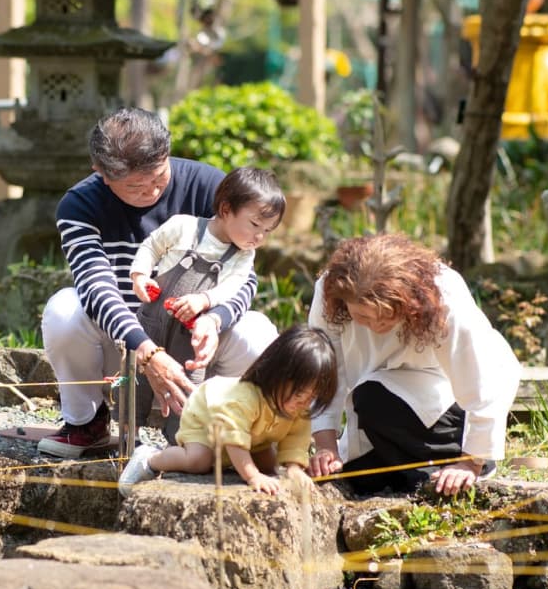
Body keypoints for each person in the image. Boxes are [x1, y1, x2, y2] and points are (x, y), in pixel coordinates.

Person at [39, 107, 279, 459]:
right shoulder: (80, 205)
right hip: (123, 345)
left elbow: (245, 278)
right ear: (102, 174)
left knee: (258, 334)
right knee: (63, 310)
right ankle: (86, 424)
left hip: (197, 343)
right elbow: (95, 289)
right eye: (135, 186)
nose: (151, 192)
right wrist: (146, 351)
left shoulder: (211, 188)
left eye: (159, 177)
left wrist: (215, 319)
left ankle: (224, 431)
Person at [305, 234, 521, 496]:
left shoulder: (443, 293)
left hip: (451, 405)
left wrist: (471, 462)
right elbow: (325, 370)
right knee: (361, 477)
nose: (374, 325)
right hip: (379, 416)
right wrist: (327, 446)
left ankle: (469, 462)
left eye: (385, 317)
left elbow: (479, 377)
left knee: (373, 396)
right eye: (361, 316)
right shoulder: (329, 291)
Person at [129, 166, 285, 414]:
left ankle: (181, 444)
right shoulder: (183, 227)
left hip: (191, 334)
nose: (259, 237)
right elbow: (151, 247)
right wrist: (140, 275)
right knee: (136, 385)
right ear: (225, 209)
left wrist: (204, 300)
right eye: (255, 224)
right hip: (152, 322)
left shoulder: (243, 256)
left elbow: (235, 286)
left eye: (267, 231)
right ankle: (127, 436)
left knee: (188, 390)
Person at [118, 325, 338, 497]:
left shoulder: (297, 408)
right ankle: (150, 457)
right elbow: (233, 437)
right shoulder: (245, 397)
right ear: (277, 375)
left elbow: (295, 438)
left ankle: (246, 459)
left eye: (311, 398)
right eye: (299, 395)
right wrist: (252, 477)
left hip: (252, 436)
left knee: (270, 466)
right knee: (199, 460)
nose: (303, 403)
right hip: (206, 417)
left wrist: (294, 468)